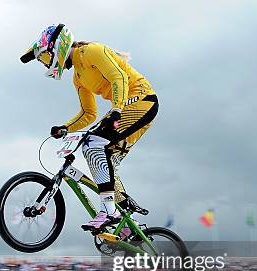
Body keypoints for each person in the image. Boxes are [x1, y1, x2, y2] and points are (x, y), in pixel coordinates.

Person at [21, 24, 158, 230]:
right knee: (103, 158)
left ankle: (108, 211)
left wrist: (117, 109)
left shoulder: (92, 51)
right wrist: (65, 127)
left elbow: (118, 77)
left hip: (141, 100)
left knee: (93, 144)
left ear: (57, 47)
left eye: (44, 58)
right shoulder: (78, 77)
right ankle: (128, 224)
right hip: (125, 106)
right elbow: (88, 114)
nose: (44, 64)